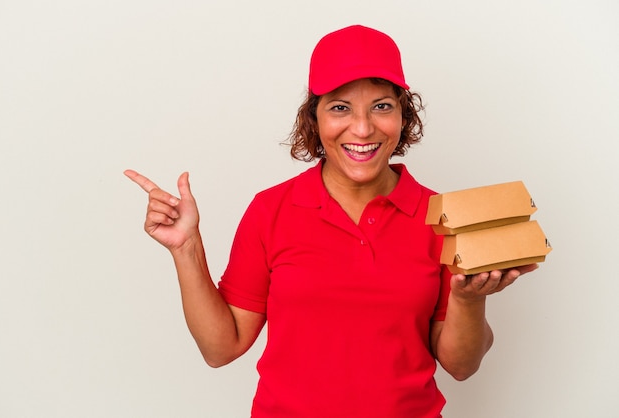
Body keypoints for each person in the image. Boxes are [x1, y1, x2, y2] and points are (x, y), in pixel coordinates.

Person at [125, 25, 538, 418]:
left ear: (403, 115)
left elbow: (462, 366)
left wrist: (469, 298)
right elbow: (221, 347)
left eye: (381, 106)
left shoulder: (438, 216)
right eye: (340, 108)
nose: (362, 127)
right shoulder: (272, 210)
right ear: (315, 119)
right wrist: (186, 249)